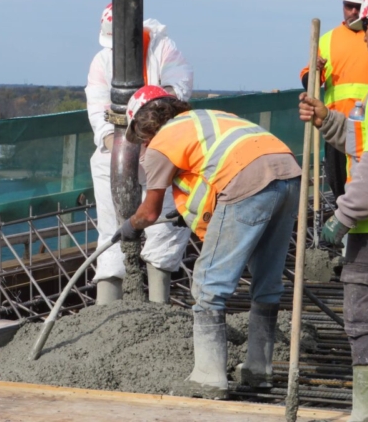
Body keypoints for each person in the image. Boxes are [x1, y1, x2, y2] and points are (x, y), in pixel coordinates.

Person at [114, 85, 301, 399]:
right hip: (288, 172)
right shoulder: (206, 118)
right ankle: (258, 369)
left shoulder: (161, 144)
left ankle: (209, 377)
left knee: (208, 284)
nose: (144, 144)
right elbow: (213, 173)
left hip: (247, 181)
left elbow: (149, 212)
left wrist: (130, 227)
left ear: (145, 124)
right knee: (267, 281)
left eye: (142, 137)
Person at [299, 0, 368, 422]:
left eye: (367, 21)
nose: (362, 31)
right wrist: (326, 119)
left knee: (366, 319)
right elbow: (365, 141)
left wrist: (339, 221)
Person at [85, 3, 194, 303]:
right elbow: (97, 107)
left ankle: (159, 309)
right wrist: (112, 141)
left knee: (163, 232)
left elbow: (178, 89)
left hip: (162, 146)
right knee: (113, 234)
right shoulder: (102, 61)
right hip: (116, 156)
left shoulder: (163, 49)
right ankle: (108, 311)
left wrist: (150, 128)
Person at [300, 0, 368, 202]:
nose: (353, 12)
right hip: (335, 127)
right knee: (339, 186)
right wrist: (314, 71)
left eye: (358, 6)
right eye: (348, 6)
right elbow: (308, 80)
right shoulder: (327, 39)